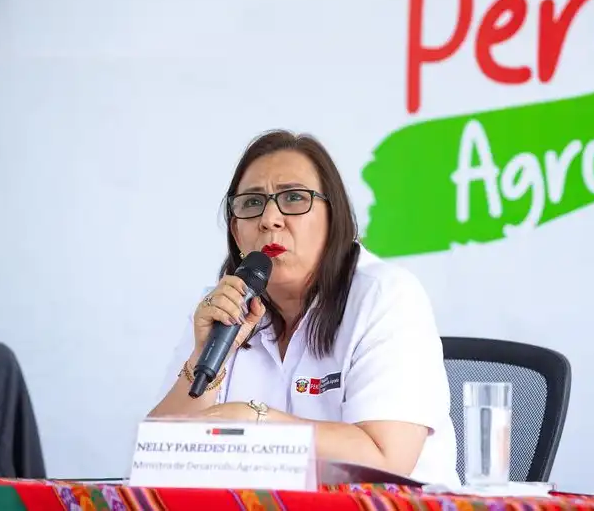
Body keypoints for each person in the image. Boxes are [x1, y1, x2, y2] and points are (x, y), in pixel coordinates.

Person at [150, 130, 459, 485]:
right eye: (252, 203)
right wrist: (203, 359)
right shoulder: (223, 308)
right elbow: (157, 460)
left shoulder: (385, 296)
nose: (269, 219)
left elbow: (385, 459)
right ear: (236, 233)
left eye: (294, 198)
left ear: (333, 218)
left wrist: (255, 422)